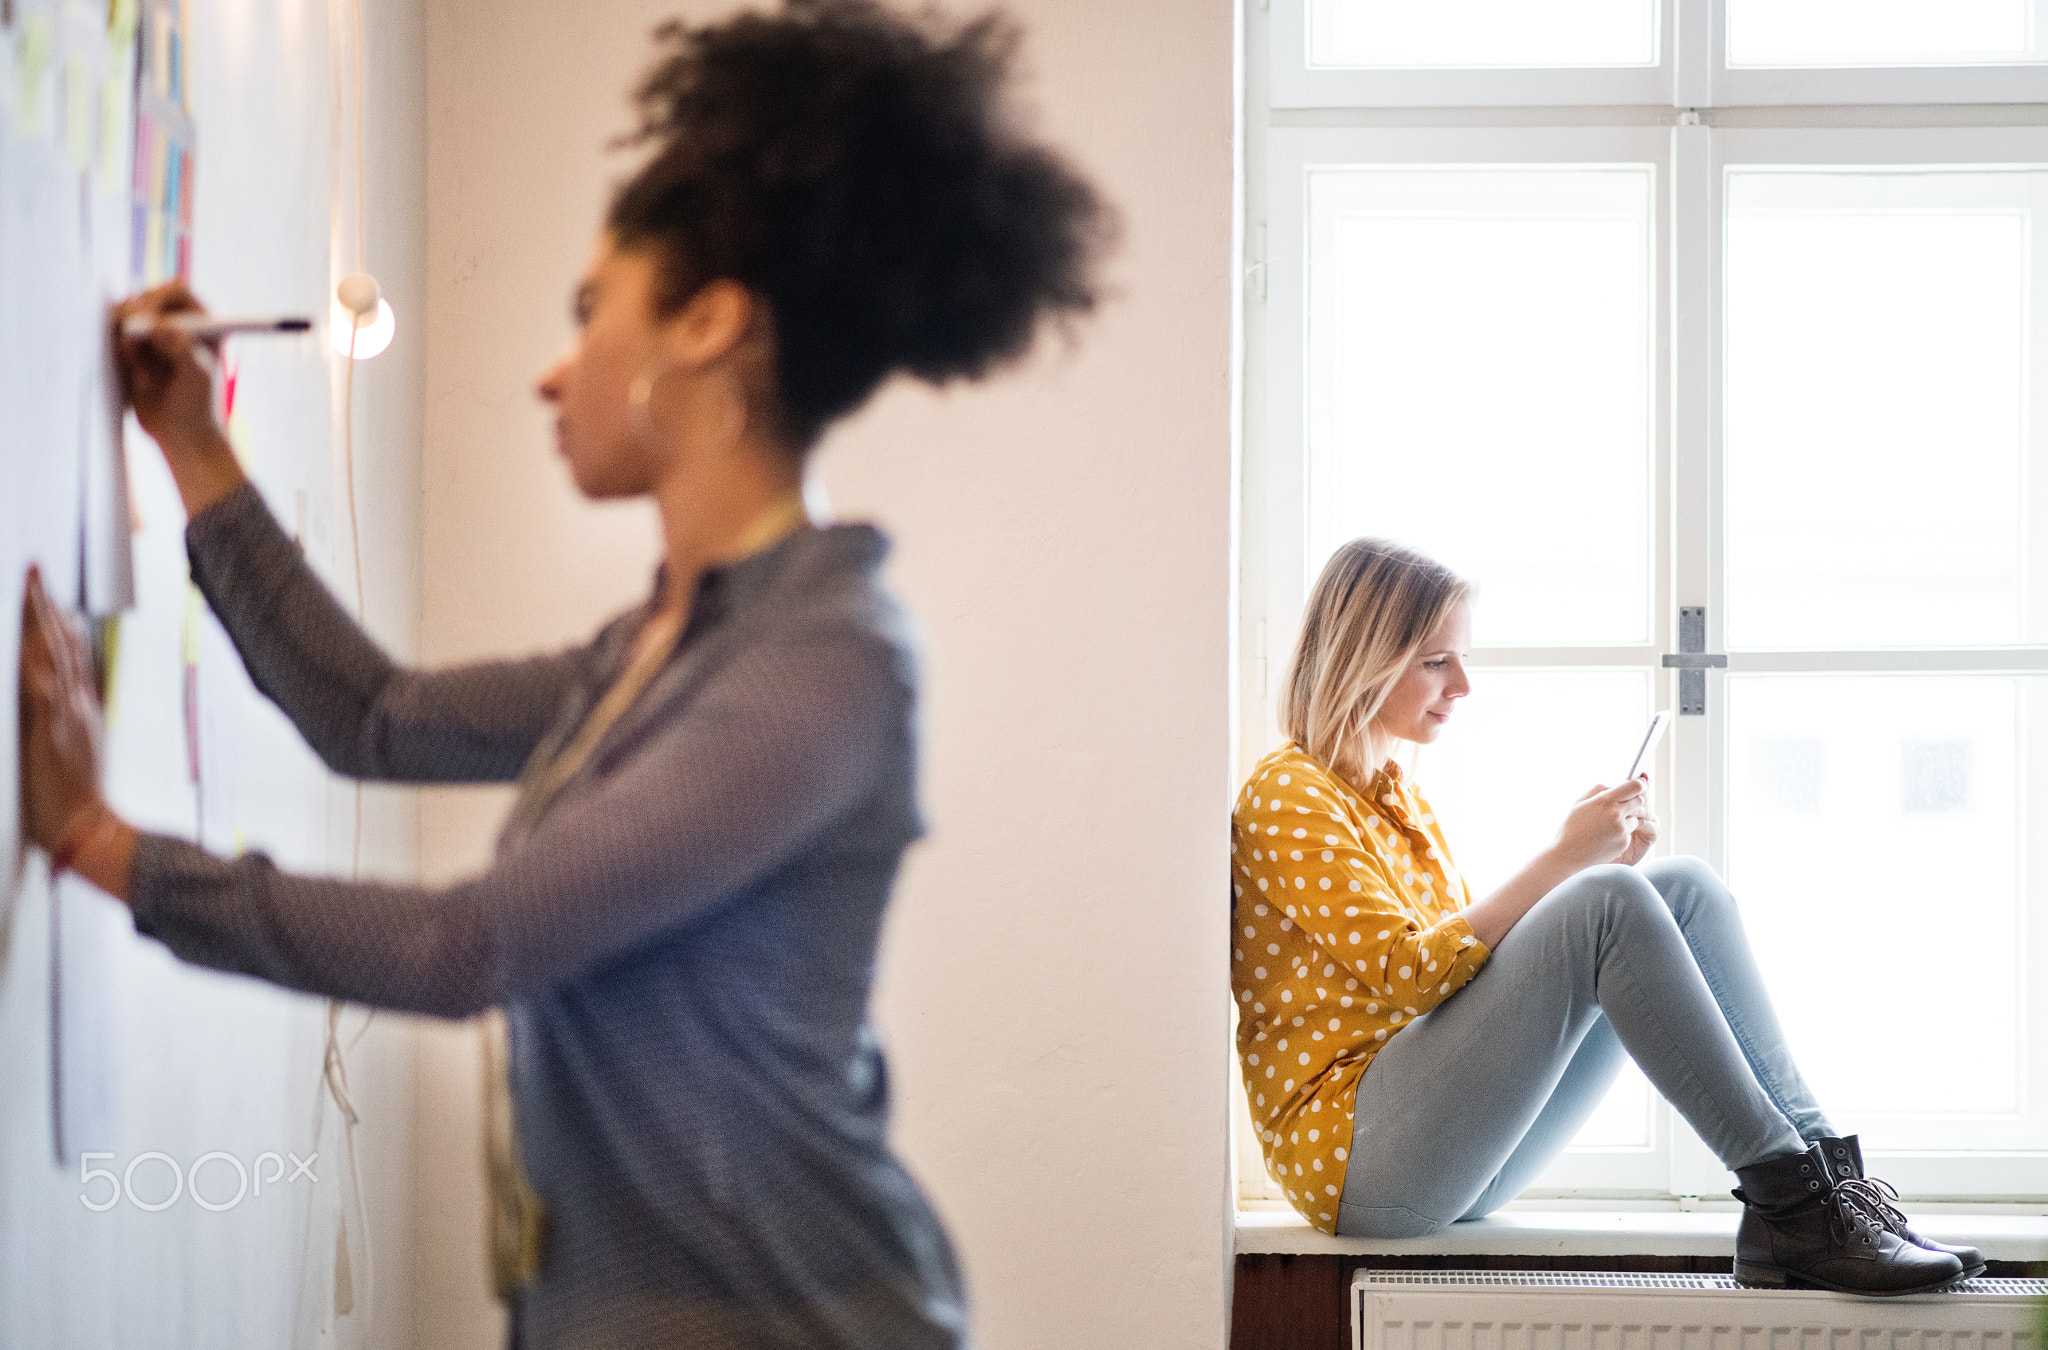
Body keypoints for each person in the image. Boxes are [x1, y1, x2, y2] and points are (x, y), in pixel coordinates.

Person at [19, 2, 1110, 1345]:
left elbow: (465, 942)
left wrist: (98, 841)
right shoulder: (669, 643)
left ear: (709, 324)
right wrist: (194, 448)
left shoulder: (827, 665)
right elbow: (376, 716)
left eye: (590, 310)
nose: (552, 370)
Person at [1231, 538, 1977, 1296]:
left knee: (1676, 887)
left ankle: (1832, 1192)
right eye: (1435, 661)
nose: (1463, 684)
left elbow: (1463, 980)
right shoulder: (1290, 793)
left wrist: (1604, 881)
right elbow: (1412, 975)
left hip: (1445, 1153)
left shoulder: (1395, 799)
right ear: (1363, 657)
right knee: (1607, 903)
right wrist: (1568, 865)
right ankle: (1791, 1209)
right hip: (1358, 1163)